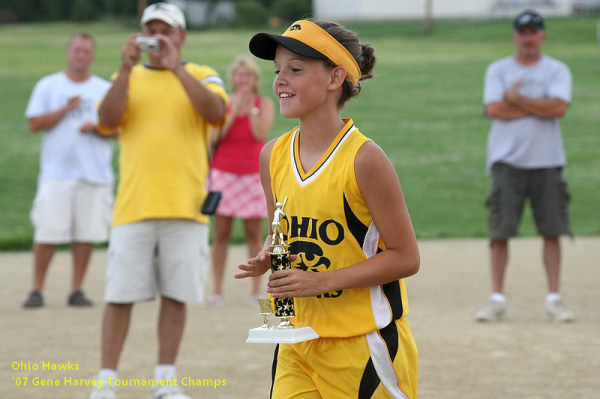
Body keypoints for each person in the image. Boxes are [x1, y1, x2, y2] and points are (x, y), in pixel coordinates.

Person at [236, 19, 420, 398]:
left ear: (335, 78)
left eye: (296, 70)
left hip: (361, 344)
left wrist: (320, 282)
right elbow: (281, 233)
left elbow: (406, 257)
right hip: (296, 342)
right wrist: (268, 254)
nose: (280, 80)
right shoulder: (272, 155)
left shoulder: (364, 159)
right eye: (277, 71)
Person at [89, 3, 227, 399]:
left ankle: (165, 381)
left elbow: (216, 112)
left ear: (181, 36)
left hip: (187, 207)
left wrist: (177, 67)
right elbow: (108, 120)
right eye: (150, 29)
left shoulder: (202, 74)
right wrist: (127, 68)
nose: (156, 36)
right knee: (119, 296)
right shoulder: (124, 77)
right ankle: (106, 382)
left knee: (177, 295)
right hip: (134, 206)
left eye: (164, 30)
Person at [476, 10, 575, 323]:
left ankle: (554, 298)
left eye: (534, 32)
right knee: (500, 231)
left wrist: (516, 100)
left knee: (552, 230)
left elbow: (559, 107)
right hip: (507, 161)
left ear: (542, 36)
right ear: (515, 37)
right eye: (523, 32)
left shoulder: (557, 69)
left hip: (547, 161)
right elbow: (494, 109)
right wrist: (538, 106)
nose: (528, 38)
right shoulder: (498, 69)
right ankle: (496, 298)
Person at [23, 32, 115, 309]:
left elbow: (117, 128)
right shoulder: (49, 86)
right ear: (68, 52)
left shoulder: (103, 89)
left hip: (94, 173)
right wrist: (64, 110)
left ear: (93, 56)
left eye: (87, 51)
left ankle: (77, 289)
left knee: (86, 235)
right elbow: (35, 124)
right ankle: (36, 289)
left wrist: (97, 129)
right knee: (47, 234)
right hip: (57, 174)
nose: (81, 55)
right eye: (77, 50)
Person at [205, 55, 274, 307]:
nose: (244, 80)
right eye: (239, 75)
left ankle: (256, 290)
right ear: (232, 78)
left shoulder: (263, 104)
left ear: (255, 79)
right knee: (221, 232)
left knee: (254, 232)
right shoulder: (223, 104)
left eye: (249, 75)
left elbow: (260, 134)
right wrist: (234, 108)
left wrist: (250, 108)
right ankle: (218, 290)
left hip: (252, 175)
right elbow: (215, 136)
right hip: (224, 173)